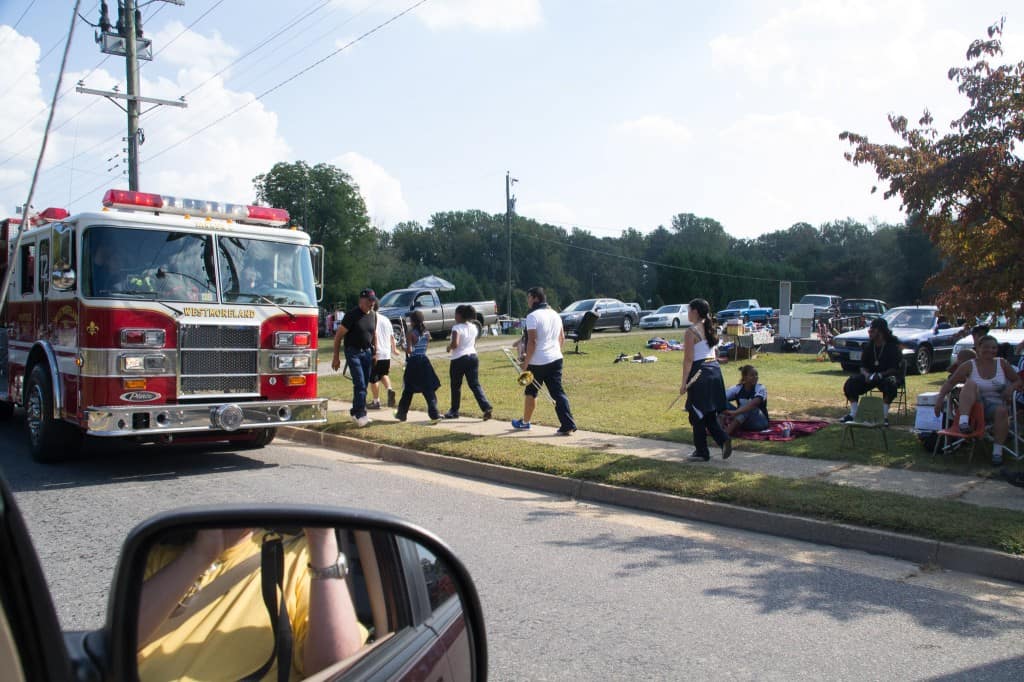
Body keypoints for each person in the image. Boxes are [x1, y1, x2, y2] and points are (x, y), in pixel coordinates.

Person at [137, 527, 367, 680]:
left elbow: (339, 669)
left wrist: (322, 539)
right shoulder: (161, 556)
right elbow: (121, 638)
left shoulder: (300, 557)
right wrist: (200, 555)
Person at [934, 334, 1023, 465]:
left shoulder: (1002, 363)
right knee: (970, 384)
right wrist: (939, 399)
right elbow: (950, 383)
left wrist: (1011, 388)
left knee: (1002, 411)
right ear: (978, 348)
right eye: (986, 347)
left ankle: (997, 453)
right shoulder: (969, 365)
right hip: (973, 406)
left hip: (995, 405)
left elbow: (1018, 381)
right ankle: (963, 423)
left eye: (993, 348)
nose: (990, 350)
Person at [511, 287, 577, 435]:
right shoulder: (555, 314)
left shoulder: (532, 316)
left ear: (535, 298)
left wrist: (525, 364)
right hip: (556, 358)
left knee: (531, 391)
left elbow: (532, 342)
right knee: (558, 393)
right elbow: (562, 338)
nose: (527, 301)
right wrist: (555, 353)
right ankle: (568, 424)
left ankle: (525, 423)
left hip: (537, 362)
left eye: (528, 298)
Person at [680, 298, 731, 461]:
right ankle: (723, 440)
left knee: (696, 414)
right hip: (714, 371)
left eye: (689, 310)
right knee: (708, 413)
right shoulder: (711, 328)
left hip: (700, 373)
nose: (688, 313)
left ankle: (702, 451)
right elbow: (715, 355)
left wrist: (684, 383)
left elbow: (688, 359)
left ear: (695, 311)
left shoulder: (691, 331)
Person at [840, 317, 902, 426]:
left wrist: (880, 375)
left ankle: (883, 417)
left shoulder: (892, 347)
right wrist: (866, 374)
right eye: (870, 331)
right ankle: (854, 413)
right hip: (870, 376)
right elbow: (862, 366)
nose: (870, 333)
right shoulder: (869, 346)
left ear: (881, 332)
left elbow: (894, 368)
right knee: (851, 383)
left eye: (872, 331)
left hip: (886, 376)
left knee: (890, 384)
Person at [331, 289, 379, 427]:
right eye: (369, 301)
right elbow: (338, 337)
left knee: (363, 383)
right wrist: (336, 357)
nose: (372, 303)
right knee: (360, 383)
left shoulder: (373, 315)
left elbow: (373, 333)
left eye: (373, 300)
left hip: (367, 352)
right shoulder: (351, 315)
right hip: (353, 352)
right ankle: (361, 414)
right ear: (361, 301)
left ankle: (355, 411)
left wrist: (375, 352)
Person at [443, 305, 493, 420]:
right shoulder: (473, 327)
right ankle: (486, 407)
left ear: (460, 315)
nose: (454, 316)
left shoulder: (457, 328)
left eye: (456, 314)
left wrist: (448, 347)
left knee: (456, 386)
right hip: (473, 357)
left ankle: (454, 411)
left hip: (459, 359)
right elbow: (473, 343)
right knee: (475, 384)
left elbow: (455, 344)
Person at [394, 310, 442, 422]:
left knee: (408, 390)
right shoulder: (426, 333)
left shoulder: (411, 333)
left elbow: (410, 351)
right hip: (424, 361)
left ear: (413, 321)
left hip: (413, 363)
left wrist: (402, 346)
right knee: (428, 389)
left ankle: (401, 414)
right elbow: (424, 348)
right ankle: (434, 413)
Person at [722, 365, 769, 436]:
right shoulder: (737, 388)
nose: (755, 377)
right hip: (742, 421)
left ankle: (725, 434)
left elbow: (754, 403)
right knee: (721, 402)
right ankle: (718, 427)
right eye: (752, 375)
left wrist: (735, 412)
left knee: (748, 407)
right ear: (744, 377)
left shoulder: (760, 388)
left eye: (756, 375)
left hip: (759, 422)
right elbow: (720, 398)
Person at [368, 301, 398, 410]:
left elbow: (373, 335)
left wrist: (374, 352)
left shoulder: (371, 319)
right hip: (386, 353)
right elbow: (391, 336)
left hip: (377, 353)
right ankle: (389, 389)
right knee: (383, 374)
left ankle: (376, 401)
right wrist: (394, 349)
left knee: (373, 379)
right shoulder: (386, 319)